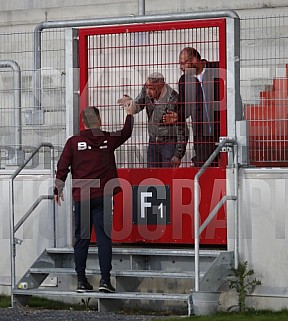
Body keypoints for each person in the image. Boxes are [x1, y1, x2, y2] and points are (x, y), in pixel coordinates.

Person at [54, 105, 134, 293]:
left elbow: (62, 166)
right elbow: (126, 132)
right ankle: (105, 281)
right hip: (103, 196)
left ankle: (81, 281)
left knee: (81, 239)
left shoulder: (73, 142)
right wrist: (129, 113)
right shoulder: (107, 138)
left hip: (82, 196)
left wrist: (57, 188)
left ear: (83, 123)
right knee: (104, 239)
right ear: (99, 121)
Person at [163, 47, 220, 167]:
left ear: (194, 60)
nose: (181, 67)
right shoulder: (184, 81)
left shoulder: (218, 69)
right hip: (202, 137)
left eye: (183, 63)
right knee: (205, 170)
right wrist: (178, 116)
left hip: (223, 131)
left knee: (228, 167)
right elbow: (185, 107)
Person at [118, 72, 188, 168]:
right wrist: (130, 103)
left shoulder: (173, 99)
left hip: (169, 144)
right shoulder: (147, 91)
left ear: (161, 87)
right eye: (146, 87)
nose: (147, 91)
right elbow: (139, 104)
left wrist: (178, 155)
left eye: (151, 89)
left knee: (166, 178)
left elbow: (182, 128)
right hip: (153, 142)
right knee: (151, 176)